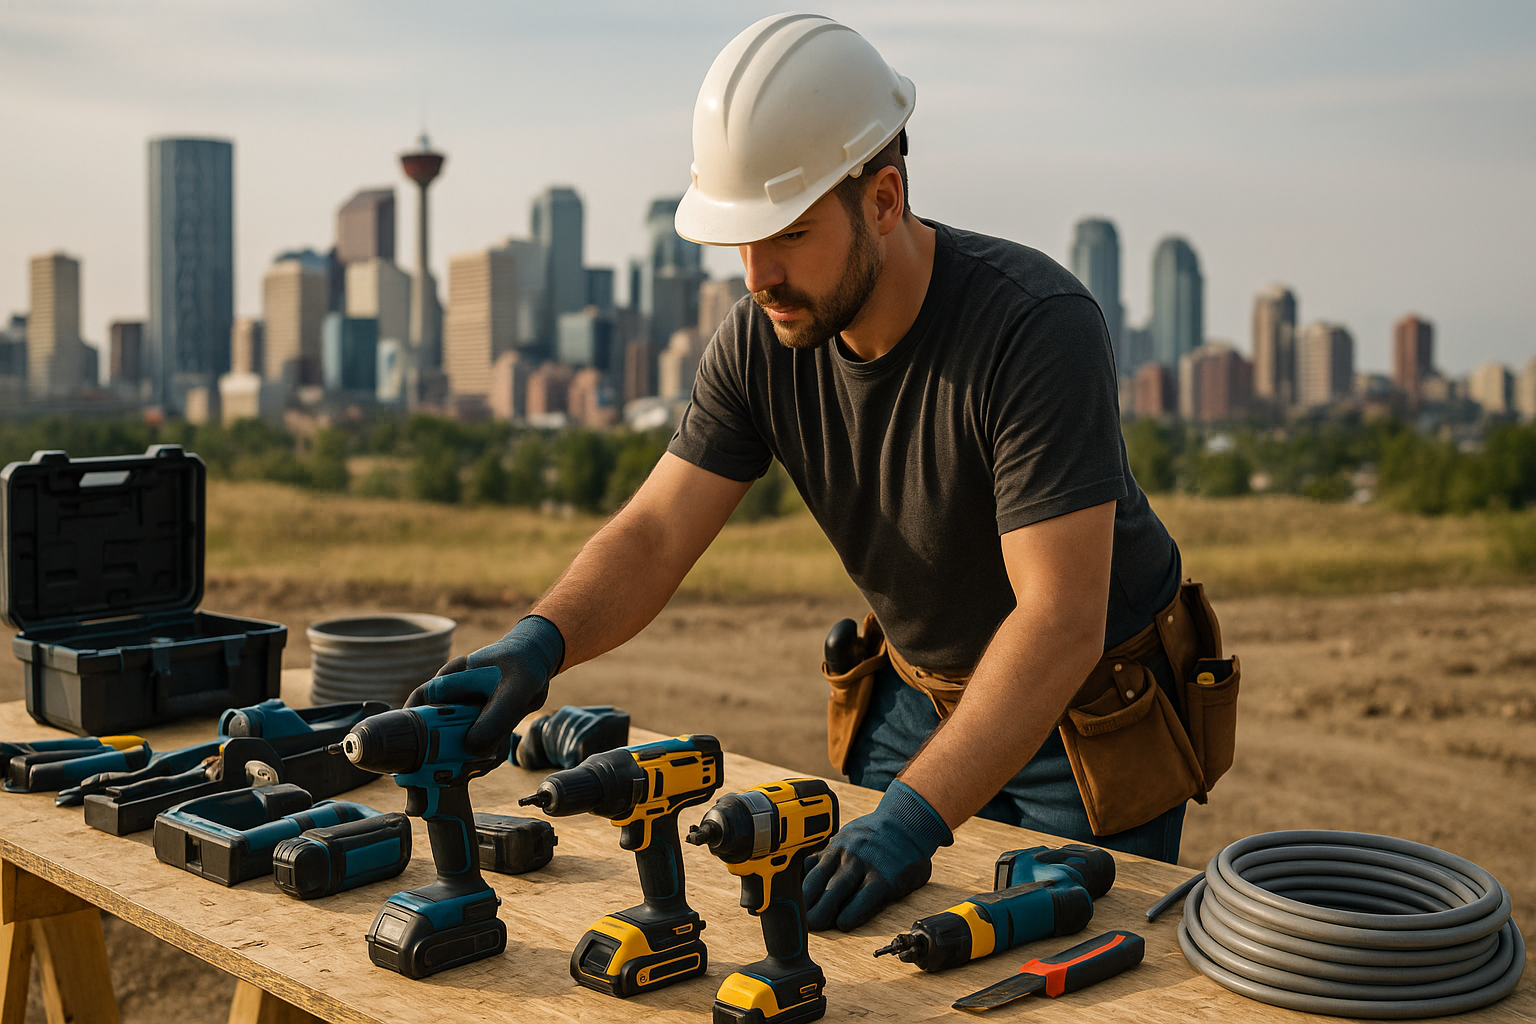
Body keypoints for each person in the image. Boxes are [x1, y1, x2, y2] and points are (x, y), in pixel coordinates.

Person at [412, 12, 1198, 934]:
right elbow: (658, 530)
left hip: (1087, 718)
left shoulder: (1035, 327)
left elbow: (1061, 618)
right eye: (739, 241)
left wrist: (908, 817)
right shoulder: (763, 339)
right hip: (915, 694)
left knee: (1065, 971)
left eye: (785, 232)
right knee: (862, 955)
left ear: (884, 199)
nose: (757, 275)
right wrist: (540, 642)